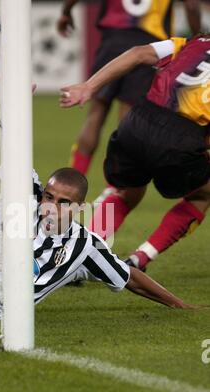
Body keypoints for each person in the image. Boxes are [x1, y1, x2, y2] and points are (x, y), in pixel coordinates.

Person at [0, 168, 197, 329]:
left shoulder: (85, 246)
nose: (52, 207)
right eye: (49, 197)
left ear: (79, 208)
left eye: (63, 203)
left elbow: (130, 276)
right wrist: (17, 100)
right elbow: (12, 144)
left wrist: (179, 304)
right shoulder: (24, 197)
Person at [60, 34, 210, 270]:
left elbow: (138, 54)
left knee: (126, 191)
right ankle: (141, 257)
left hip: (138, 121)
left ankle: (79, 255)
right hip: (183, 137)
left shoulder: (195, 42)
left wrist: (88, 86)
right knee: (202, 194)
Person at [56, 0, 201, 177]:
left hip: (113, 40)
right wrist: (197, 41)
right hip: (149, 43)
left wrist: (66, 11)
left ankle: (72, 182)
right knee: (127, 123)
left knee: (95, 116)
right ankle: (116, 189)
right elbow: (192, 5)